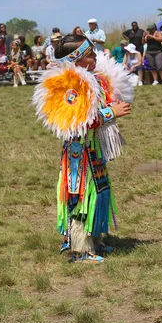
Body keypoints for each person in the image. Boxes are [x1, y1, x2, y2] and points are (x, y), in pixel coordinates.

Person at [32, 34, 133, 263]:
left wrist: (112, 104)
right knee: (79, 197)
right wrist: (111, 113)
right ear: (75, 60)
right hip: (79, 154)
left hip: (93, 150)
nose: (95, 56)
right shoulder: (69, 86)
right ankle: (80, 249)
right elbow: (77, 121)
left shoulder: (91, 80)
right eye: (89, 54)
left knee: (98, 193)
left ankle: (95, 240)